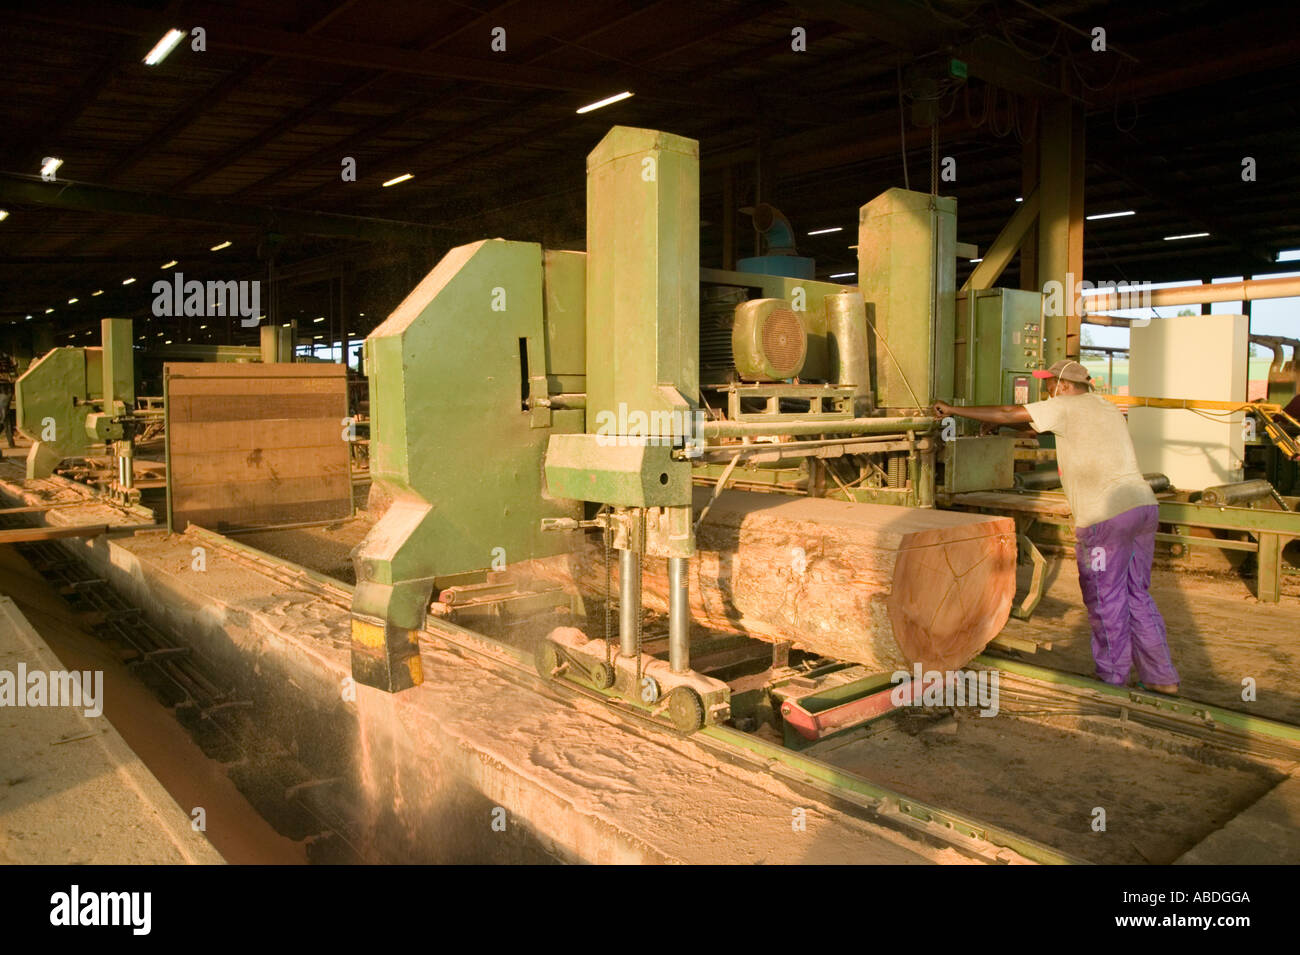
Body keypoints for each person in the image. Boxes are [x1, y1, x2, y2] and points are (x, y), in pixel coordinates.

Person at [933, 359, 1180, 695]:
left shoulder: (1063, 405)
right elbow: (1033, 427)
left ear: (1063, 386)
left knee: (1105, 597)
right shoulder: (1105, 407)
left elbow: (1010, 412)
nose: (1045, 389)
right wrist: (1004, 429)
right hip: (1143, 508)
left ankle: (1111, 680)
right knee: (1136, 594)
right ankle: (1160, 677)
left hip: (1105, 519)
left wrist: (953, 410)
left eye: (1048, 383)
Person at [0, 384, 13, 449]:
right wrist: (3, 417)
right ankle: (11, 444)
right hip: (4, 415)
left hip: (2, 415)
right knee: (8, 429)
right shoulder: (6, 397)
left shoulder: (2, 396)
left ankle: (11, 444)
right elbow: (4, 408)